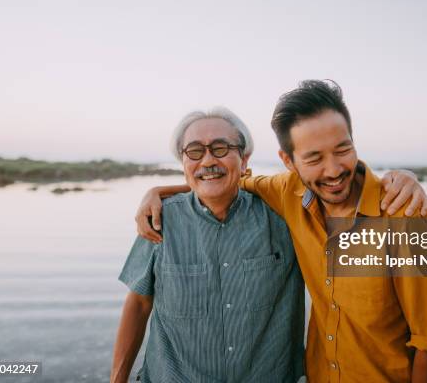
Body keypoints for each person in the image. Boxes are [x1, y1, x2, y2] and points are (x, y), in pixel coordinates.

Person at [135, 80, 427, 382]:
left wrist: (404, 175)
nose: (333, 170)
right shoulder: (287, 192)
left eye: (342, 149)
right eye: (314, 158)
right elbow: (222, 179)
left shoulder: (411, 219)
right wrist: (162, 191)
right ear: (289, 161)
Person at [111, 108, 305, 383]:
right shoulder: (159, 219)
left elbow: (332, 187)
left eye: (220, 148)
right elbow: (140, 304)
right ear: (183, 162)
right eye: (194, 151)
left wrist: (386, 185)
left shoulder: (283, 218)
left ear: (244, 158)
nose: (208, 160)